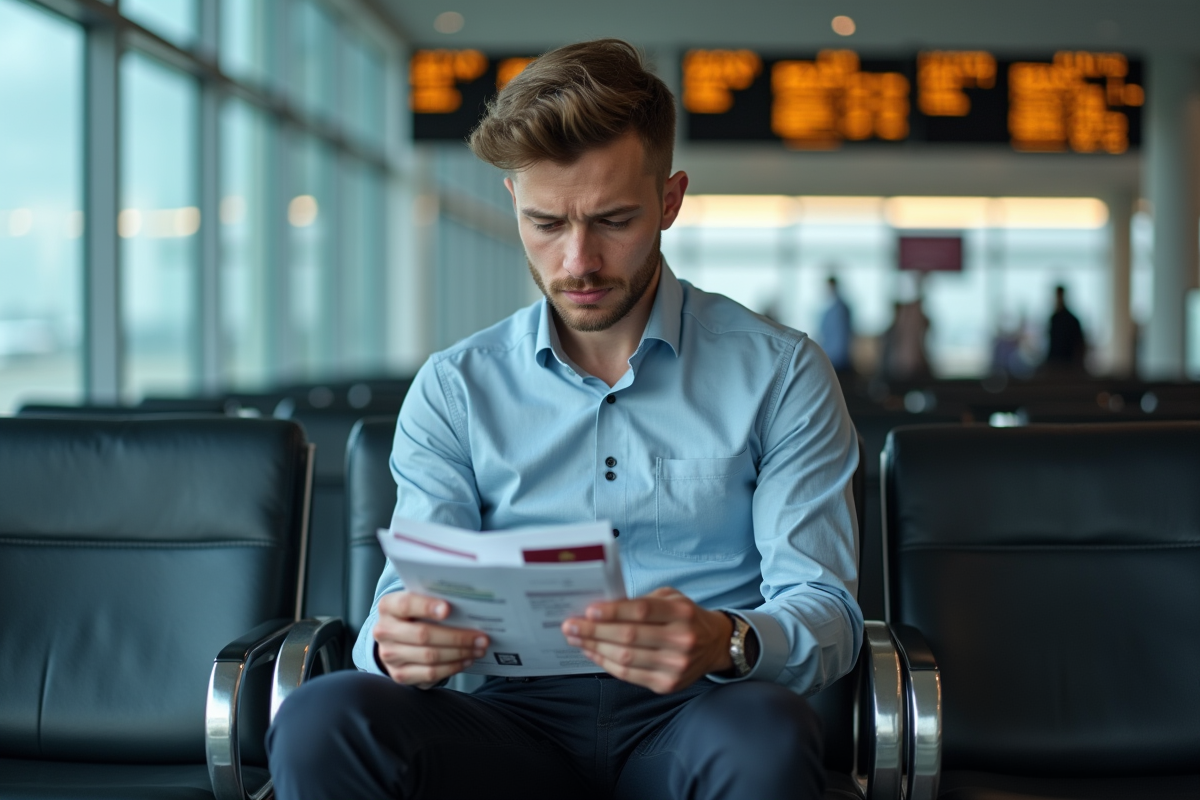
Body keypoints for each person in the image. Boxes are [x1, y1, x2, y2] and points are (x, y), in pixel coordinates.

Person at [266, 39, 861, 800]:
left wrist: (731, 637)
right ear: (514, 201)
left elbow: (828, 610)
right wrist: (398, 643)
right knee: (325, 715)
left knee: (765, 738)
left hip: (703, 707)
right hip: (507, 719)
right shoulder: (456, 388)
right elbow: (399, 602)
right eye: (547, 223)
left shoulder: (780, 371)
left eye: (613, 220)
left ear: (670, 200)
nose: (578, 261)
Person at [1043, 284, 1087, 372]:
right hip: (1055, 363)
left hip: (1069, 363)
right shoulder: (1054, 319)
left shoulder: (1072, 320)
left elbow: (1079, 344)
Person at [818, 275, 854, 373]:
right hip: (832, 357)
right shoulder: (830, 310)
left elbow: (842, 337)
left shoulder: (840, 309)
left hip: (837, 359)